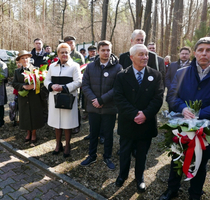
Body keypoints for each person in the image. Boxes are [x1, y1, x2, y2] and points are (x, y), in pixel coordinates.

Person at [160, 37, 210, 200]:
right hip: (181, 124)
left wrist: (200, 113)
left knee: (200, 162)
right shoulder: (181, 72)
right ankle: (172, 189)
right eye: (200, 50)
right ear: (195, 53)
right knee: (177, 157)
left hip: (206, 127)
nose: (204, 53)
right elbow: (171, 95)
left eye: (208, 50)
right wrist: (183, 108)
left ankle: (195, 193)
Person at [113, 44, 164, 192]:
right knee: (125, 152)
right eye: (141, 54)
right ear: (131, 57)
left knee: (142, 153)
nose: (145, 57)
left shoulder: (155, 75)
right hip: (128, 121)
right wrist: (135, 114)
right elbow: (119, 98)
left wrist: (145, 114)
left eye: (146, 54)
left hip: (146, 122)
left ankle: (139, 177)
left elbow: (158, 98)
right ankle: (122, 175)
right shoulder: (122, 75)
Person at [80, 40, 122, 170]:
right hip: (93, 107)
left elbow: (118, 88)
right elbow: (85, 85)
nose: (106, 52)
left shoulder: (118, 68)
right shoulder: (90, 67)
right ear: (98, 51)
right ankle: (91, 156)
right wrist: (94, 100)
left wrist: (102, 100)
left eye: (108, 50)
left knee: (108, 134)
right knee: (93, 133)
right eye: (103, 50)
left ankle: (107, 157)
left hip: (109, 107)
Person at [44, 43, 82, 158]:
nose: (64, 54)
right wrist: (51, 86)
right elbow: (46, 80)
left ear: (69, 52)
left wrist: (64, 87)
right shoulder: (52, 66)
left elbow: (78, 82)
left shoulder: (74, 66)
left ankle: (67, 145)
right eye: (62, 52)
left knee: (67, 123)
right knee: (57, 123)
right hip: (55, 98)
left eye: (66, 52)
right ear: (58, 54)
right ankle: (57, 144)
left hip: (68, 98)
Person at [12, 50, 45, 143]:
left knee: (34, 114)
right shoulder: (17, 71)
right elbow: (14, 83)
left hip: (34, 97)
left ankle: (34, 133)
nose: (25, 60)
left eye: (26, 58)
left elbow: (42, 83)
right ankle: (28, 133)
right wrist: (23, 86)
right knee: (25, 114)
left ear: (29, 59)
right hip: (23, 97)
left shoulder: (36, 70)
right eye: (22, 58)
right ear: (19, 61)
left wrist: (34, 86)